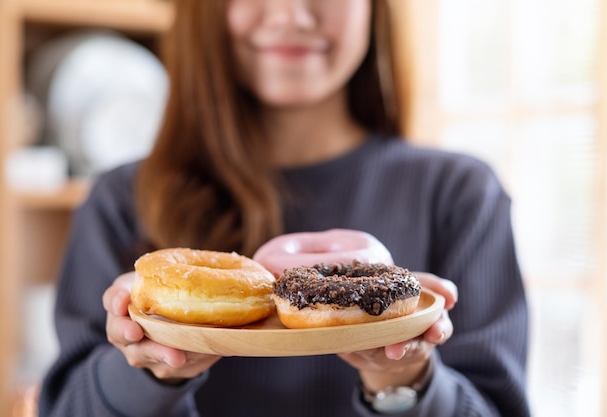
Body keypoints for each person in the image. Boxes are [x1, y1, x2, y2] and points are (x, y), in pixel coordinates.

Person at [38, 0, 530, 416]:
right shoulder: (123, 198)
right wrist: (153, 371)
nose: (292, 14)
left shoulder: (459, 193)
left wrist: (406, 378)